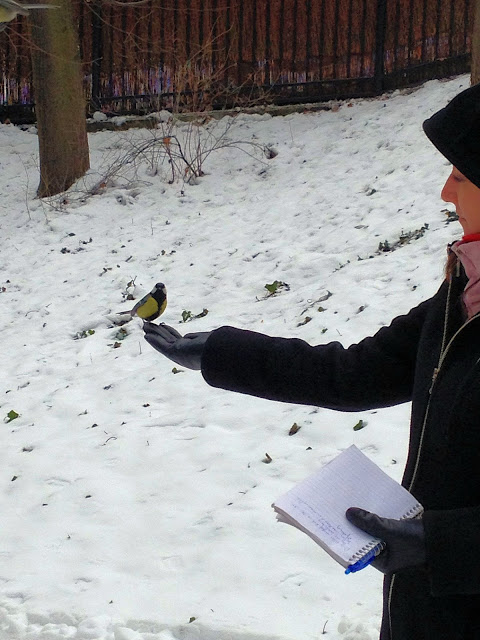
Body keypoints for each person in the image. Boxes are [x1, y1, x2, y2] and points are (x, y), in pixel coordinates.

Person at [143, 83, 480, 640]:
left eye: (462, 177)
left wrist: (444, 544)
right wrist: (220, 352)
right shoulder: (460, 296)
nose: (446, 193)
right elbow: (353, 373)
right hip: (426, 611)